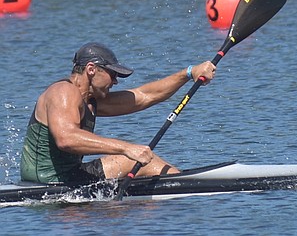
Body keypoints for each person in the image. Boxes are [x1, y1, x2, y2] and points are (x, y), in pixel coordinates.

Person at [20, 42, 217, 185]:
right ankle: (189, 188)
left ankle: (178, 185)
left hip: (70, 176)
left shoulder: (90, 99)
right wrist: (126, 148)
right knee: (134, 161)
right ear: (91, 69)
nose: (115, 81)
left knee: (138, 204)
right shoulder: (63, 92)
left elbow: (145, 96)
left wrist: (188, 73)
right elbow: (66, 138)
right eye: (112, 74)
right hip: (47, 180)